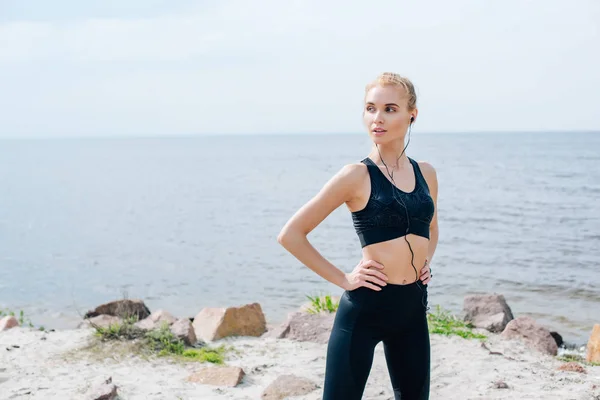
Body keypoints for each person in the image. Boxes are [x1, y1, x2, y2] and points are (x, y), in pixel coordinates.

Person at [277, 72, 438, 399]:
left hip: (412, 309)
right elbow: (292, 235)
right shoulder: (356, 175)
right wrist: (345, 279)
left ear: (412, 114)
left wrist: (424, 263)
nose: (377, 118)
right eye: (370, 108)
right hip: (366, 308)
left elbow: (431, 227)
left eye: (389, 109)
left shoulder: (426, 173)